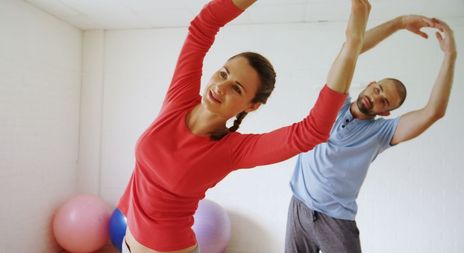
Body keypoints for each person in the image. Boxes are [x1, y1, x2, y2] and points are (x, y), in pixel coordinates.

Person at [117, 0, 370, 252]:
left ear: (251, 106)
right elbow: (203, 26)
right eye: (224, 73)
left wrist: (353, 45)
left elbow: (311, 131)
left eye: (236, 88)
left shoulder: (232, 150)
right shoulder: (179, 98)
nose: (221, 87)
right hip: (127, 244)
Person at [285, 15, 457, 253]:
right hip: (299, 207)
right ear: (370, 84)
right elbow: (350, 49)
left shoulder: (380, 132)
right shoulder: (335, 102)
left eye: (383, 100)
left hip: (335, 220)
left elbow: (434, 112)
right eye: (377, 89)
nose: (375, 97)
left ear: (385, 112)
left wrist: (451, 56)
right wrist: (399, 23)